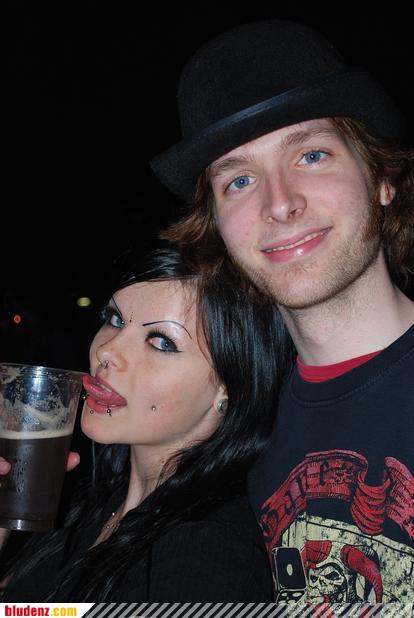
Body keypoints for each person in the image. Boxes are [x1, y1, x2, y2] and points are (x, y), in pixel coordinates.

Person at [150, 20, 414, 605]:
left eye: (311, 155)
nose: (280, 203)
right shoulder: (235, 441)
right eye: (239, 180)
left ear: (381, 179)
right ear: (218, 228)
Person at [0, 246, 293, 601]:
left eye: (160, 342)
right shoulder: (87, 504)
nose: (107, 350)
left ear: (228, 388)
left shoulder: (207, 554)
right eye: (115, 319)